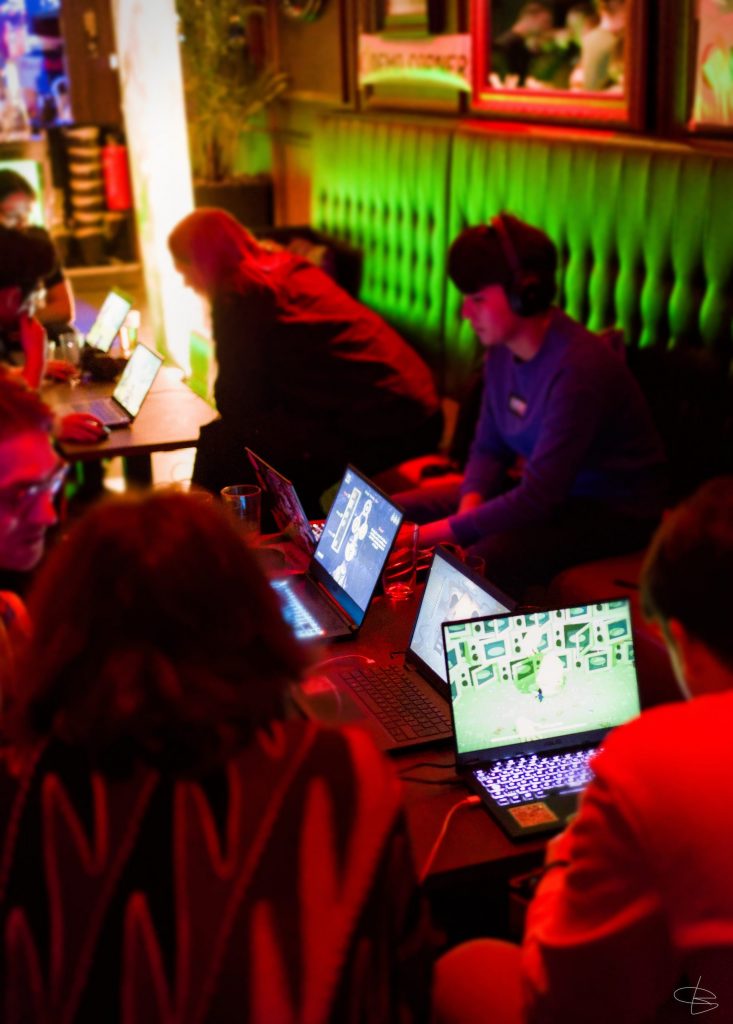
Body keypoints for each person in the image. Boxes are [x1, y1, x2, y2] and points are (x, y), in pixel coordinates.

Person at [0, 491, 433, 1020]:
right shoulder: (339, 771)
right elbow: (402, 970)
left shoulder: (22, 786)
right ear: (250, 616)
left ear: (63, 632)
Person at [432, 475, 733, 1023]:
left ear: (681, 639)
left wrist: (564, 858)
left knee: (466, 966)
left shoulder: (649, 756)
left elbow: (564, 994)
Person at [396, 213, 666, 599]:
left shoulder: (579, 368)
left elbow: (540, 496)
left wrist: (432, 535)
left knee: (480, 560)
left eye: (477, 299)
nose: (465, 312)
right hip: (547, 493)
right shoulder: (501, 353)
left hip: (610, 512)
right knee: (396, 513)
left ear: (527, 293)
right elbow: (488, 449)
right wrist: (466, 511)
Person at [168, 208, 442, 513]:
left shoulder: (241, 292)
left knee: (225, 444)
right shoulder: (286, 267)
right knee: (246, 439)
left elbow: (234, 399)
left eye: (185, 271)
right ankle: (260, 536)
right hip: (414, 407)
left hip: (388, 422)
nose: (187, 283)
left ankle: (213, 540)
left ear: (203, 262)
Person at [0, 167, 75, 329]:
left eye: (26, 215)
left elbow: (64, 308)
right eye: (11, 217)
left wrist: (25, 320)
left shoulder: (37, 246)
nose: (20, 225)